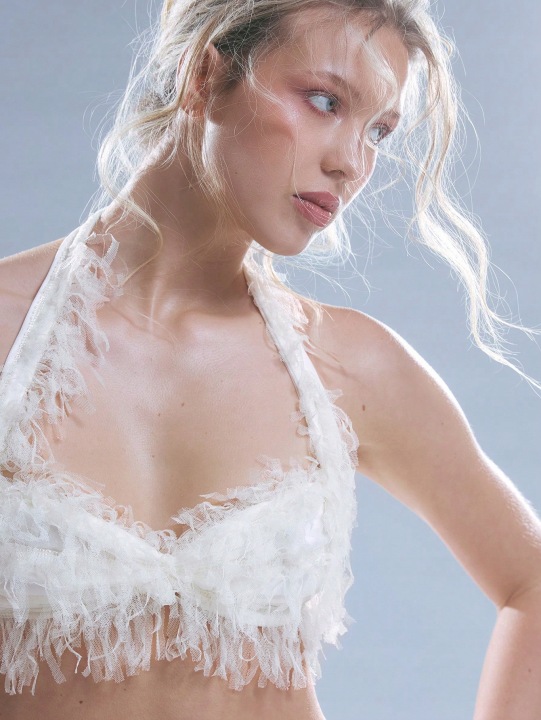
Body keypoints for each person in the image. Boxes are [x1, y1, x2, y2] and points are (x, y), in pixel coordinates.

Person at [0, 1, 540, 719]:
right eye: (325, 101)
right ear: (204, 76)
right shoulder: (10, 332)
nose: (351, 162)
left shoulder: (347, 366)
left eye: (378, 131)